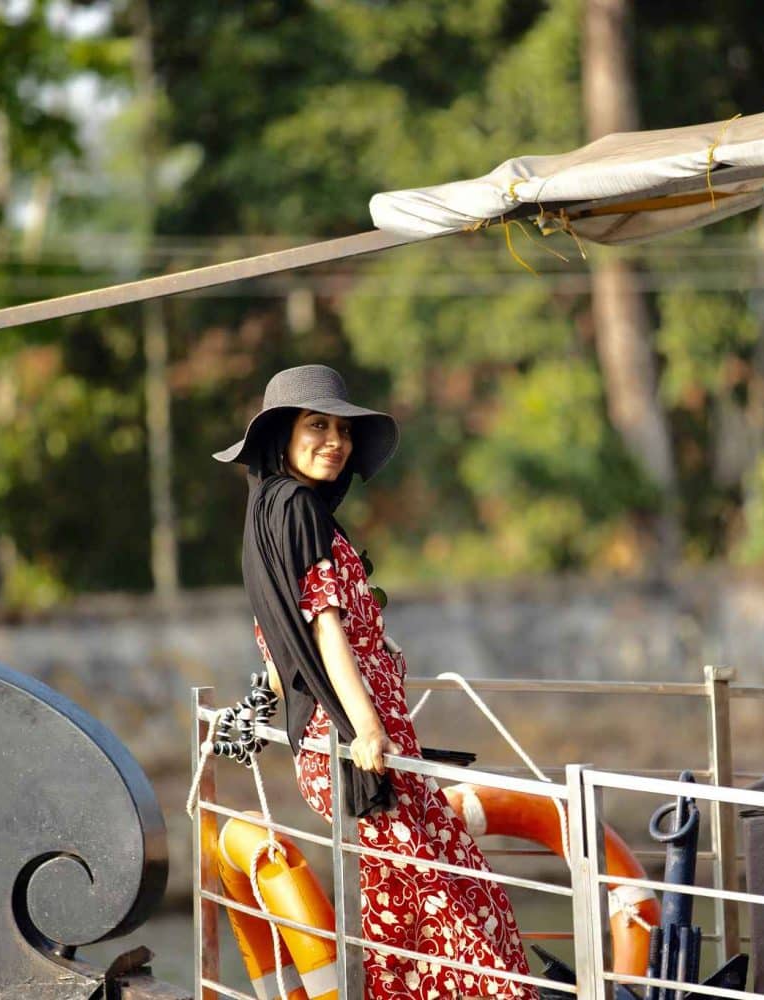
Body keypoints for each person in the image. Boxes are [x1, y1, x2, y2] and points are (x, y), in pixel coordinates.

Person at [214, 364, 537, 1000]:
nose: (334, 441)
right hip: (360, 750)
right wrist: (365, 728)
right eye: (317, 426)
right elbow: (324, 626)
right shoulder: (299, 508)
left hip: (354, 746)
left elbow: (287, 644)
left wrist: (377, 642)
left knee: (416, 910)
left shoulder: (268, 515)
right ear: (281, 435)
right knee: (460, 915)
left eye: (341, 429)